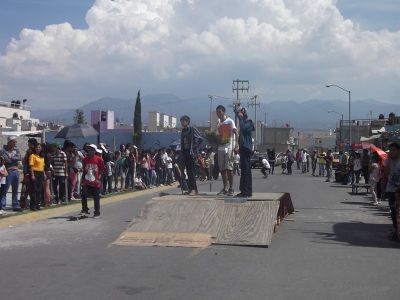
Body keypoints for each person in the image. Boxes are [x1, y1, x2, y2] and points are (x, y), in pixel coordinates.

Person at [215, 105, 238, 196]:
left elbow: (236, 132)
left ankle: (231, 188)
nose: (218, 114)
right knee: (222, 170)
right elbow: (217, 136)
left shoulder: (230, 121)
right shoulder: (219, 124)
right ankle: (225, 188)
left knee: (229, 168)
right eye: (217, 112)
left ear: (223, 112)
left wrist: (237, 144)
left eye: (220, 112)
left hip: (229, 147)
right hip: (220, 148)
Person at [81, 144, 105, 217]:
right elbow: (84, 170)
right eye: (89, 149)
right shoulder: (85, 159)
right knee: (84, 195)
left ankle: (97, 212)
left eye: (91, 149)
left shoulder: (99, 159)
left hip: (95, 182)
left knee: (96, 197)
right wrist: (82, 180)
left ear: (94, 151)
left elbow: (102, 170)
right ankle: (85, 210)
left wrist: (99, 178)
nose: (90, 151)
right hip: (87, 181)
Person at [180, 115, 202, 195]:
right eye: (181, 121)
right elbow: (182, 142)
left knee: (192, 172)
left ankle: (194, 189)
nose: (182, 123)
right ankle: (190, 189)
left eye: (183, 121)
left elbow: (200, 138)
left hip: (191, 153)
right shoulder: (183, 131)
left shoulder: (192, 129)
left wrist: (194, 147)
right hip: (185, 152)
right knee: (188, 172)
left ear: (187, 121)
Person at [236, 107, 254, 197]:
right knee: (244, 170)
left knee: (246, 170)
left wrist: (240, 118)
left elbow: (243, 128)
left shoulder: (249, 122)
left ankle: (246, 191)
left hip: (247, 148)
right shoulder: (243, 122)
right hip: (243, 148)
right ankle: (246, 191)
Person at [0, 136, 23, 211]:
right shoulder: (3, 151)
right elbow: (6, 160)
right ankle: (2, 205)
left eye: (15, 142)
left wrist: (12, 158)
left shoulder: (16, 150)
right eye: (14, 142)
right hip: (8, 171)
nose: (15, 143)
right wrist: (14, 158)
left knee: (15, 189)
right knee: (5, 189)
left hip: (16, 171)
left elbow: (19, 157)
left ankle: (15, 205)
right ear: (9, 142)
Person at [384, 142, 400, 240]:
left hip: (399, 190)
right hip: (391, 189)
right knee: (393, 211)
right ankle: (396, 230)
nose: (391, 152)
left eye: (393, 150)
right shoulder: (388, 161)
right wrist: (387, 163)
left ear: (398, 151)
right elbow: (386, 174)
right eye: (390, 151)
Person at [29, 143, 45, 211]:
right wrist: (32, 175)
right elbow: (31, 166)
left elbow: (43, 166)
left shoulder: (42, 156)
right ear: (34, 148)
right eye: (37, 147)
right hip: (35, 172)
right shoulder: (32, 156)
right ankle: (33, 206)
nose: (38, 148)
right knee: (34, 190)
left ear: (41, 148)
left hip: (41, 173)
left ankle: (38, 205)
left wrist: (44, 174)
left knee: (39, 190)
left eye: (39, 147)